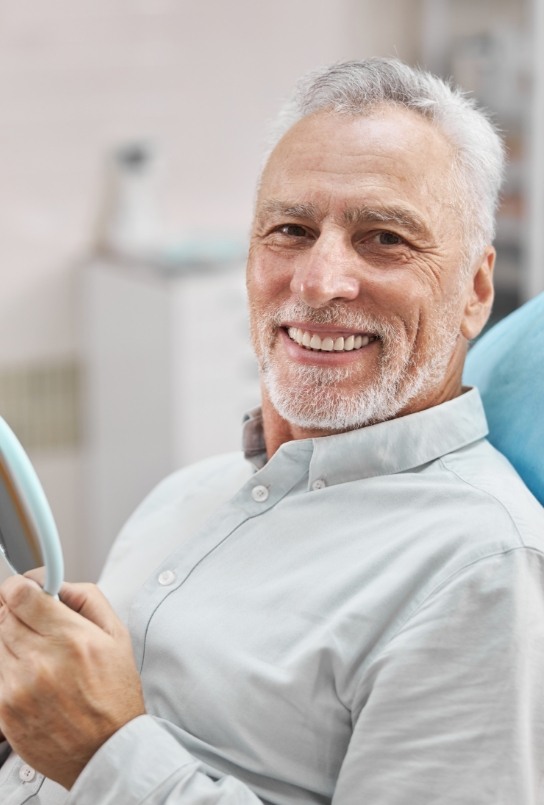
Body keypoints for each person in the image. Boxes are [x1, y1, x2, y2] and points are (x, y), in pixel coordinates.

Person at [0, 57, 543, 805]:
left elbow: (97, 747)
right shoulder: (187, 493)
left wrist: (106, 751)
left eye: (384, 238)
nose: (318, 282)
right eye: (290, 229)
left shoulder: (478, 569)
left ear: (476, 289)